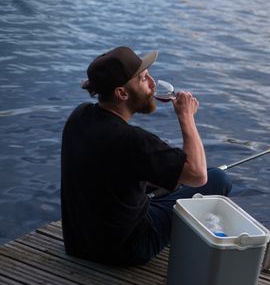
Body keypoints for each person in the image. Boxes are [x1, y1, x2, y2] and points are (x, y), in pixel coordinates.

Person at [61, 46, 232, 265]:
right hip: (127, 249)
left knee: (171, 183)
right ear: (122, 93)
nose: (152, 83)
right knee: (217, 179)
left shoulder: (80, 116)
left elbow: (111, 167)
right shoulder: (133, 140)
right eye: (143, 79)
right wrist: (186, 116)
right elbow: (198, 176)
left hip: (79, 244)